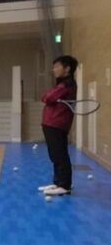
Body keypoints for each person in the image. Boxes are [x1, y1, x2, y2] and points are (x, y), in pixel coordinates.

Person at [38, 55, 79, 197]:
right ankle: (58, 182)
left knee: (60, 155)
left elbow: (47, 97)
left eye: (57, 66)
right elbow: (45, 97)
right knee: (55, 155)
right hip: (51, 124)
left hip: (57, 124)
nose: (53, 69)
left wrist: (48, 97)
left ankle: (64, 186)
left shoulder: (66, 84)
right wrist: (47, 97)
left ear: (67, 69)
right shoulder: (61, 84)